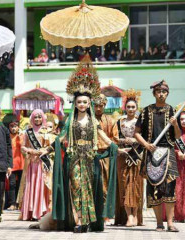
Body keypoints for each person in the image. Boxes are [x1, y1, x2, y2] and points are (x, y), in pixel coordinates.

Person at [46, 56, 128, 233]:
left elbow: (105, 138)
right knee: (76, 188)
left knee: (89, 190)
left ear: (89, 103)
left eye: (85, 102)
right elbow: (61, 138)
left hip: (91, 160)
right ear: (74, 104)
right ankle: (80, 220)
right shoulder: (70, 120)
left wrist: (117, 149)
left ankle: (88, 221)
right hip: (74, 159)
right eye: (79, 102)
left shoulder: (94, 121)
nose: (82, 104)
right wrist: (47, 148)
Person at [134, 80, 181, 232]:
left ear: (167, 94)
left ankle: (170, 223)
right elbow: (136, 133)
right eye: (159, 91)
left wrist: (175, 125)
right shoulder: (147, 111)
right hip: (151, 152)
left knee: (169, 188)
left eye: (164, 91)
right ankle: (159, 223)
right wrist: (146, 145)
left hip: (168, 152)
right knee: (154, 189)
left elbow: (178, 136)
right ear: (154, 93)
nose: (161, 94)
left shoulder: (172, 111)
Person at [115, 89, 144, 227]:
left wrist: (135, 141)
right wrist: (123, 142)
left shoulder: (141, 122)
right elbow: (114, 139)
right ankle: (129, 216)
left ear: (137, 108)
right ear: (125, 108)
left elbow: (146, 139)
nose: (131, 109)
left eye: (133, 107)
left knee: (136, 185)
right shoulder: (119, 122)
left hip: (137, 156)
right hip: (123, 156)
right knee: (124, 185)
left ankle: (136, 214)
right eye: (128, 107)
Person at [19, 109, 50, 221]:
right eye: (35, 117)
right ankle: (31, 211)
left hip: (43, 163)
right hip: (32, 163)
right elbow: (22, 147)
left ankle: (42, 211)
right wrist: (29, 150)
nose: (37, 119)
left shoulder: (47, 131)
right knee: (31, 185)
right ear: (32, 118)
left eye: (39, 117)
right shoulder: (28, 132)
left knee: (42, 186)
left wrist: (43, 151)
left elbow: (50, 146)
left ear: (43, 118)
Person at [94, 94, 119, 224]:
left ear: (104, 106)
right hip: (91, 156)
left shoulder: (111, 120)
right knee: (93, 185)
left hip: (106, 156)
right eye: (96, 105)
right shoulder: (88, 119)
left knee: (105, 185)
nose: (98, 108)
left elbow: (115, 139)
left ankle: (105, 215)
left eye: (101, 106)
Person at [7, 121, 24, 211]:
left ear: (18, 127)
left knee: (21, 184)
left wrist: (20, 136)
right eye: (11, 126)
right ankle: (12, 203)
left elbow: (23, 146)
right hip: (12, 165)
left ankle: (20, 203)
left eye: (15, 126)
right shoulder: (8, 137)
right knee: (12, 184)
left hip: (22, 164)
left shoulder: (22, 136)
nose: (13, 128)